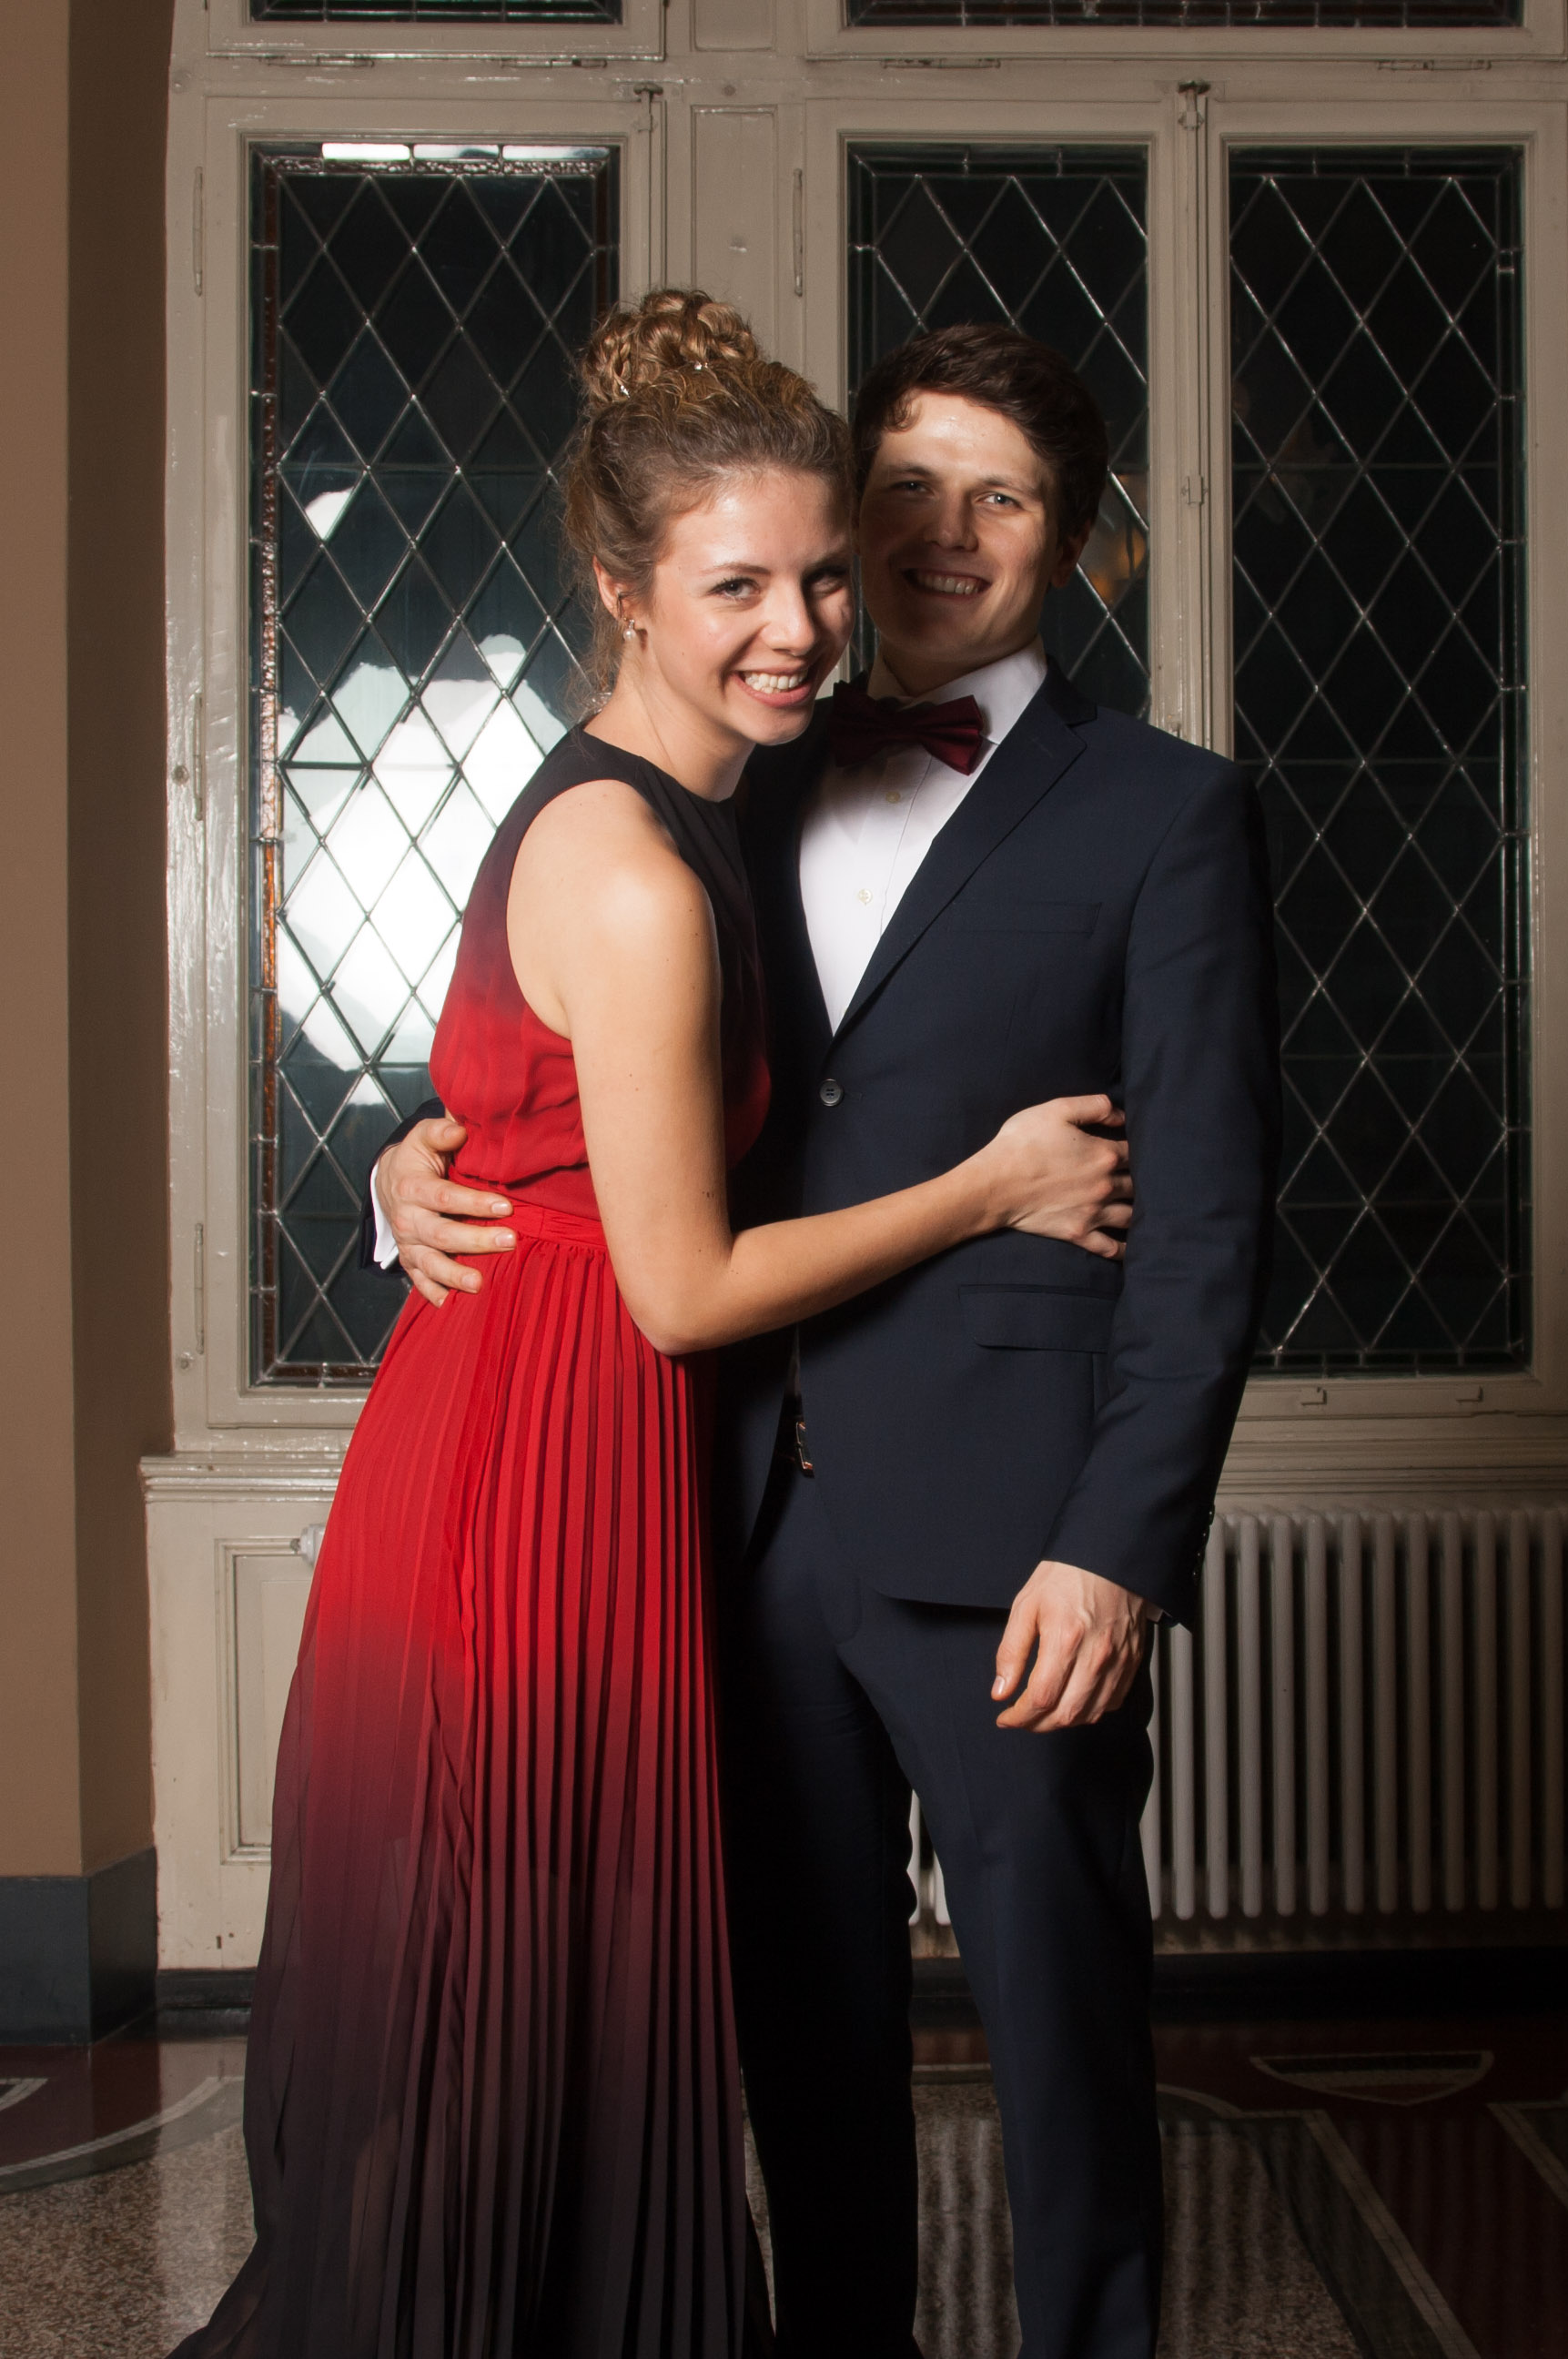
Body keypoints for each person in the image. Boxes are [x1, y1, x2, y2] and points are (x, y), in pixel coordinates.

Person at [177, 293, 1133, 2359]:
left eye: (820, 576)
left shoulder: (729, 800)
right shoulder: (640, 858)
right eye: (737, 588)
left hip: (616, 1461)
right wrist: (989, 1186)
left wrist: (422, 1152)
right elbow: (679, 1281)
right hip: (536, 1484)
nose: (801, 627)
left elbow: (534, 1095)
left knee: (564, 2041)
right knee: (489, 2039)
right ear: (621, 591)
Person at [375, 319, 1280, 2359]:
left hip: (1018, 1542)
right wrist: (404, 1170)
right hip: (730, 1521)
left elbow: (1210, 1232)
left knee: (1060, 2015)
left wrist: (1119, 1546)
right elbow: (575, 1060)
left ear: (1077, 534)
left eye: (1003, 495)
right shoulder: (738, 761)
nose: (944, 534)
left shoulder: (1169, 812)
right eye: (906, 491)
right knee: (801, 2022)